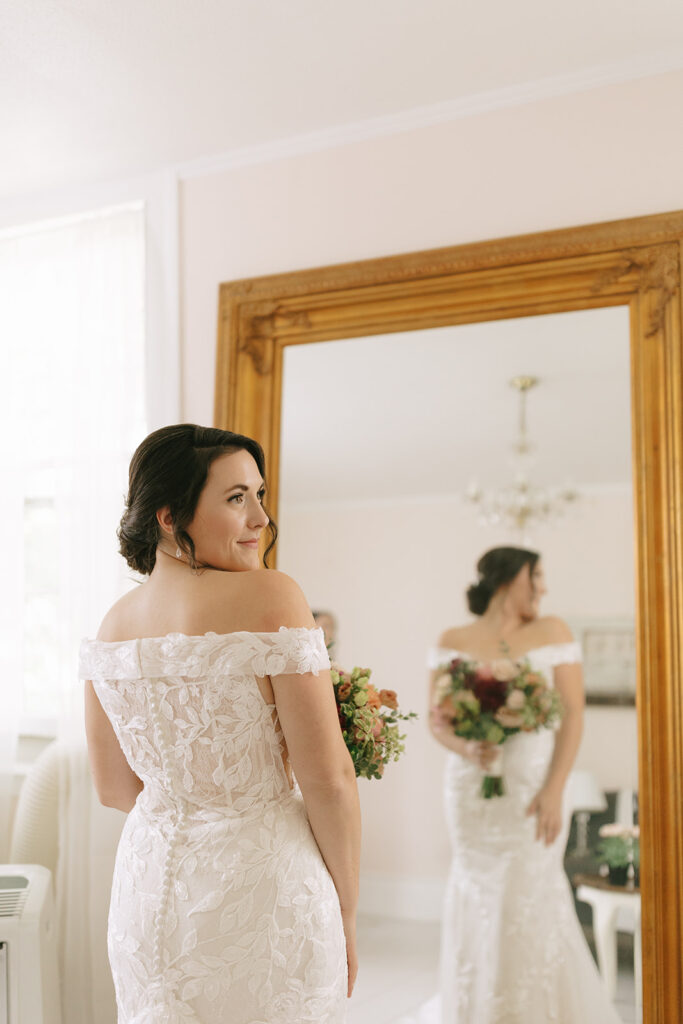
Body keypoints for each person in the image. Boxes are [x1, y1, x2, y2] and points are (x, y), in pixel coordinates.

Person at [80, 424, 360, 1024]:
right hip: (263, 893)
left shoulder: (111, 626)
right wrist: (349, 912)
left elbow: (112, 788)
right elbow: (330, 780)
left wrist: (192, 810)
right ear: (167, 515)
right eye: (237, 498)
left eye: (259, 494)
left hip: (146, 894)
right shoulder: (272, 595)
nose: (260, 517)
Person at [423, 546, 622, 1024]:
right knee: (474, 890)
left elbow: (573, 715)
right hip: (471, 788)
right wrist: (468, 748)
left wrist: (556, 788)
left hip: (534, 788)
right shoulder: (452, 638)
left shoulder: (553, 631)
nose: (544, 587)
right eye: (538, 576)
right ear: (511, 578)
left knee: (528, 892)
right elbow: (437, 721)